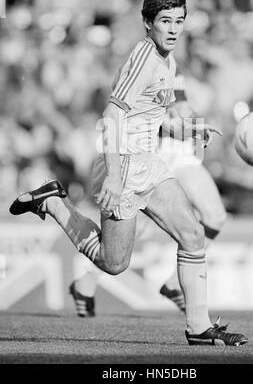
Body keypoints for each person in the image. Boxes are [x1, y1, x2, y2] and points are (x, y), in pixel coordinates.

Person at [10, 0, 247, 346]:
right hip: (120, 163)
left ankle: (199, 328)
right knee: (113, 262)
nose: (173, 28)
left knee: (193, 235)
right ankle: (53, 202)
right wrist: (117, 180)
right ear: (147, 23)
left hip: (147, 162)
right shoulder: (145, 58)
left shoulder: (168, 62)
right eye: (165, 21)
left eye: (179, 21)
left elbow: (148, 118)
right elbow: (112, 116)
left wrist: (189, 128)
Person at [69, 77, 227, 316]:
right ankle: (86, 282)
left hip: (181, 150)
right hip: (158, 151)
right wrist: (193, 122)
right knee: (137, 227)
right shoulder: (149, 63)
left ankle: (174, 284)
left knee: (214, 215)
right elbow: (167, 111)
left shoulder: (174, 66)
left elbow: (181, 108)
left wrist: (196, 124)